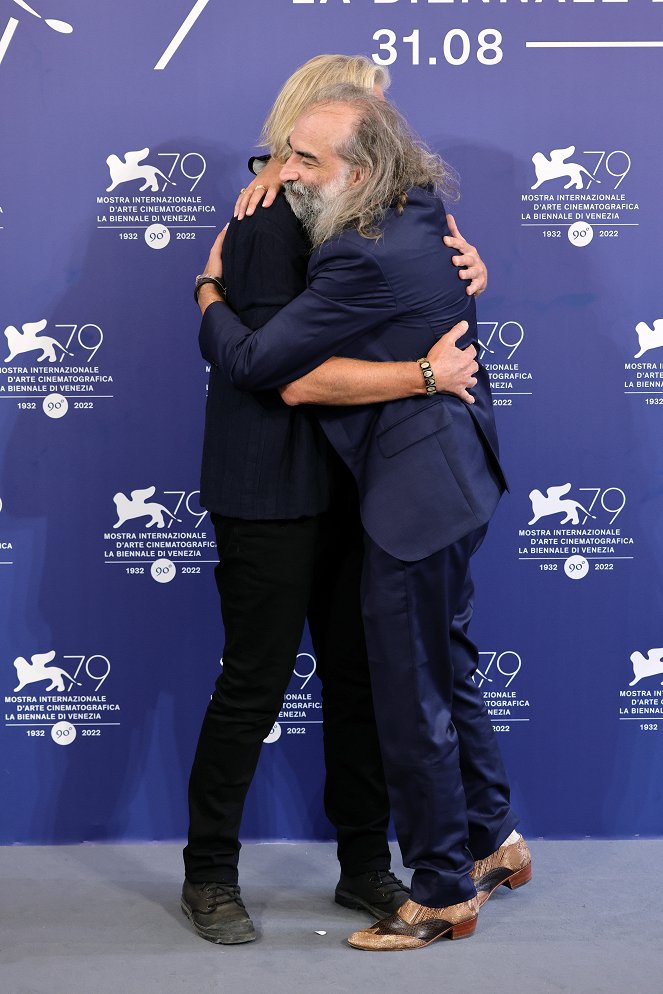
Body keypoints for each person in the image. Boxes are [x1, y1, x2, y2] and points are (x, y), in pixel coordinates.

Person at [196, 85, 531, 952]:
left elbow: (278, 371)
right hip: (432, 480)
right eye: (282, 150)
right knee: (438, 671)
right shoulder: (411, 208)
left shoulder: (362, 246)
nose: (281, 166)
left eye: (306, 156)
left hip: (410, 494)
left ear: (367, 164)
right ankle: (492, 842)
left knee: (409, 693)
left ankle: (439, 892)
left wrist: (203, 288)